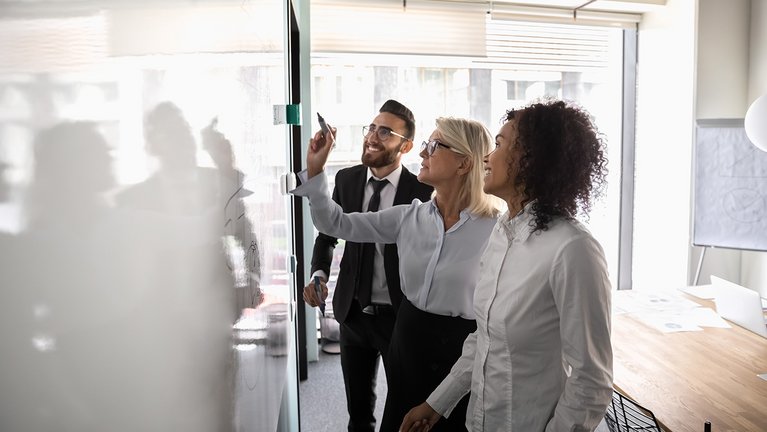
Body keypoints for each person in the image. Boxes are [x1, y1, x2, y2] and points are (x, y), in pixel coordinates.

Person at [400, 99, 613, 432]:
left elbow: (591, 381)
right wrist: (435, 404)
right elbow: (483, 340)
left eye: (498, 145)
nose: (487, 156)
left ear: (531, 159)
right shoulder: (501, 232)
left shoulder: (572, 249)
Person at [297, 114, 501, 432]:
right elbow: (335, 224)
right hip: (408, 339)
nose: (422, 153)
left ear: (465, 163)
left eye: (434, 145)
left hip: (462, 351)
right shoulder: (409, 217)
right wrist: (315, 170)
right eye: (424, 145)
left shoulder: (496, 230)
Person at [301, 100, 432, 432]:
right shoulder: (346, 179)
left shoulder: (422, 191)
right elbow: (328, 234)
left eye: (385, 131)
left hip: (400, 317)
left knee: (404, 407)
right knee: (358, 413)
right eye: (371, 128)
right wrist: (318, 273)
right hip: (353, 312)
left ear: (406, 146)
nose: (373, 137)